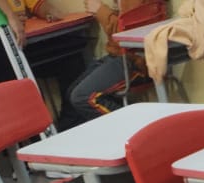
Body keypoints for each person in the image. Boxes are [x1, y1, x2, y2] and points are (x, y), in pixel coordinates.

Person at [57, 0, 147, 128]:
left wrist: (101, 11)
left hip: (134, 59)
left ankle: (136, 128)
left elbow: (127, 34)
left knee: (81, 97)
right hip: (117, 55)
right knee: (71, 94)